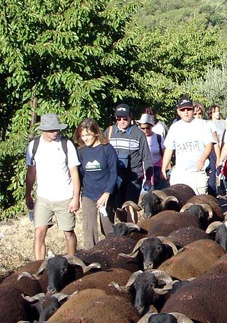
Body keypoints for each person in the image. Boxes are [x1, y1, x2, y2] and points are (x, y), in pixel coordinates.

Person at [25, 113, 81, 261]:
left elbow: (74, 172)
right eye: (51, 130)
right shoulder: (34, 146)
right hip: (43, 197)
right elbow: (31, 172)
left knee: (68, 232)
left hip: (64, 196)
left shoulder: (66, 145)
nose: (55, 132)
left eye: (57, 129)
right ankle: (38, 266)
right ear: (43, 130)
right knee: (39, 232)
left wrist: (76, 198)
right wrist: (28, 194)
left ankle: (71, 262)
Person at [75, 119, 118, 249]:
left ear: (95, 132)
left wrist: (107, 193)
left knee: (108, 228)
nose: (85, 139)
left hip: (105, 194)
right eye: (82, 136)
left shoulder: (107, 149)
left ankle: (113, 251)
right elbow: (81, 174)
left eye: (87, 135)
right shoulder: (82, 151)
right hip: (88, 193)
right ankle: (90, 256)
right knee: (89, 230)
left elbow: (114, 172)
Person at [161, 98, 215, 195]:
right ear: (178, 111)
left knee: (199, 202)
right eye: (182, 110)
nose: (186, 112)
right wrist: (164, 167)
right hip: (181, 172)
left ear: (193, 110)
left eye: (188, 109)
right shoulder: (174, 127)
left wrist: (202, 159)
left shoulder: (203, 124)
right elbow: (169, 149)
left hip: (198, 171)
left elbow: (209, 144)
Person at [105, 103, 151, 203]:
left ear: (130, 117)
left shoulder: (138, 134)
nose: (122, 121)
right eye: (119, 118)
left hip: (133, 178)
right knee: (116, 206)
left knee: (130, 206)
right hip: (115, 176)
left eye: (125, 118)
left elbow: (146, 157)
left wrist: (148, 178)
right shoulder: (109, 132)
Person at [138, 113, 165, 189]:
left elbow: (165, 154)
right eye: (143, 128)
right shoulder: (138, 138)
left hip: (157, 169)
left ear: (152, 126)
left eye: (148, 128)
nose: (145, 130)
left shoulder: (158, 138)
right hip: (142, 170)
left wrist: (164, 170)